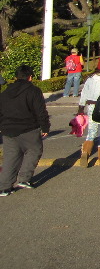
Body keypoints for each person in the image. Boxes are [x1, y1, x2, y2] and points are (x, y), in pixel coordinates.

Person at [0, 65, 50, 195]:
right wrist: (45, 126)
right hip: (28, 128)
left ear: (16, 77)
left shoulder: (5, 92)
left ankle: (4, 186)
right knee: (34, 150)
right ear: (30, 77)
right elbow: (40, 111)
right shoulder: (33, 91)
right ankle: (25, 178)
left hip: (8, 129)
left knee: (10, 158)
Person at [77, 55, 100, 167]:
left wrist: (81, 108)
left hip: (91, 106)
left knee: (91, 132)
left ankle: (85, 153)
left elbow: (84, 94)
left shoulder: (90, 78)